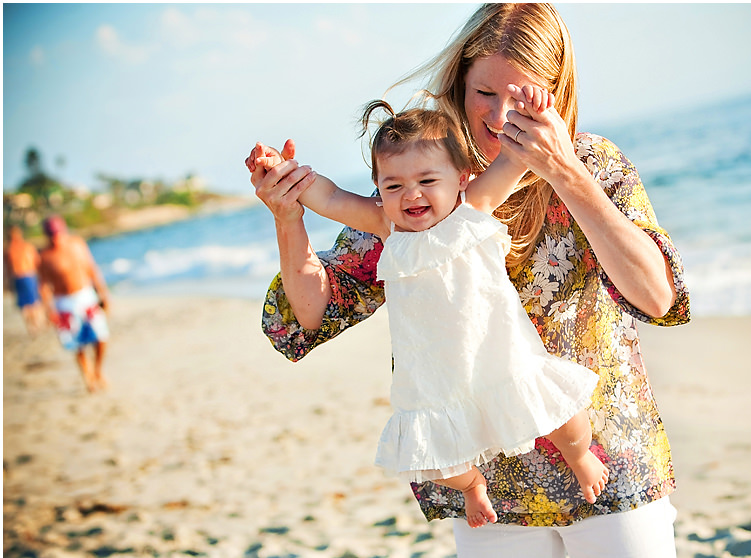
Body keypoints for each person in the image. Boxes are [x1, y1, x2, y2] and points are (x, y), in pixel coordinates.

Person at [248, 3, 690, 558]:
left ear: (555, 92)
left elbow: (657, 298)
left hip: (605, 455)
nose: (501, 114)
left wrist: (565, 173)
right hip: (491, 485)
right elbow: (313, 313)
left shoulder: (594, 165)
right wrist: (288, 217)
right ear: (459, 84)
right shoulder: (415, 193)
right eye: (484, 92)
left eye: (521, 95)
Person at [254, 92, 610, 528]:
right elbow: (327, 196)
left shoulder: (472, 208)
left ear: (461, 177)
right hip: (434, 379)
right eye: (394, 186)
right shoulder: (387, 226)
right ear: (380, 190)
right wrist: (283, 172)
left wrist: (534, 114)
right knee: (439, 464)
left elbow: (516, 157)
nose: (412, 195)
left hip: (502, 358)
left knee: (565, 423)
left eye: (427, 180)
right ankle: (474, 486)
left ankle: (581, 461)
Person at [37, 215, 111, 393]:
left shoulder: (77, 244)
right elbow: (43, 285)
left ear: (63, 230)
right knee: (78, 344)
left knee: (101, 337)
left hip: (86, 296)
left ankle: (98, 371)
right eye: (51, 234)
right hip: (63, 302)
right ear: (47, 235)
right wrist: (49, 310)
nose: (56, 237)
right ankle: (88, 376)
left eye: (57, 233)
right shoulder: (44, 256)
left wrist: (103, 293)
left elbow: (91, 268)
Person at [4, 225, 44, 334]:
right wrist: (8, 283)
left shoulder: (25, 247)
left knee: (34, 302)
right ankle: (32, 325)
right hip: (19, 277)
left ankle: (37, 323)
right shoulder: (9, 250)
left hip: (29, 276)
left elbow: (37, 262)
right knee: (25, 304)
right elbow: (7, 269)